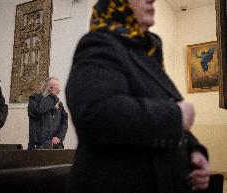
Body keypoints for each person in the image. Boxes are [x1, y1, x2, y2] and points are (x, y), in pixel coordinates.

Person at [65, 0, 209, 193]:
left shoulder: (147, 53)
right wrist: (176, 116)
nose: (152, 0)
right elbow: (96, 112)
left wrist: (194, 150)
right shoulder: (99, 44)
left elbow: (160, 108)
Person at [27, 77, 68, 150]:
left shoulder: (59, 104)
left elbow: (64, 121)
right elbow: (39, 110)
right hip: (38, 147)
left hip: (55, 146)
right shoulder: (34, 99)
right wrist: (52, 96)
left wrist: (58, 137)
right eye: (52, 87)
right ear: (45, 87)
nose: (53, 90)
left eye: (56, 88)